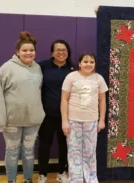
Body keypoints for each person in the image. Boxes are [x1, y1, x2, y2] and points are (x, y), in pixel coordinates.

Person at [0, 31, 45, 183]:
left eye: (31, 50)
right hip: (12, 121)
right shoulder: (6, 68)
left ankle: (28, 179)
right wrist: (0, 119)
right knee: (12, 152)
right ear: (17, 52)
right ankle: (11, 180)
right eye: (24, 50)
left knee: (29, 152)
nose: (28, 53)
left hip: (32, 120)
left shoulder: (37, 68)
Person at [61, 53, 107, 183]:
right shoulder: (71, 77)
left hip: (91, 121)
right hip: (73, 120)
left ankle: (91, 178)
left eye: (91, 62)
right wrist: (65, 121)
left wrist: (101, 120)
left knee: (90, 151)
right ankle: (76, 179)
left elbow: (102, 100)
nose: (88, 64)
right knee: (74, 150)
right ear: (80, 63)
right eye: (85, 61)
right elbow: (64, 100)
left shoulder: (98, 79)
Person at [37, 40, 75, 183]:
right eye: (58, 50)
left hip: (67, 115)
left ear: (68, 52)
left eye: (64, 50)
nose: (61, 52)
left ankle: (62, 172)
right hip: (46, 114)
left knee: (64, 145)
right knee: (45, 144)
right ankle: (42, 174)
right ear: (52, 52)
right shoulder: (42, 66)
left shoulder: (73, 69)